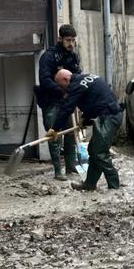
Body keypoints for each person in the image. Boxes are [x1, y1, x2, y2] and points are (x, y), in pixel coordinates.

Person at [46, 70, 122, 191]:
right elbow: (94, 100)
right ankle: (90, 184)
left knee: (100, 153)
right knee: (93, 150)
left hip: (108, 117)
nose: (62, 90)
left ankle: (114, 187)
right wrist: (84, 118)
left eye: (61, 86)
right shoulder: (85, 78)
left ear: (66, 80)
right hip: (107, 115)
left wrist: (54, 129)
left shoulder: (76, 86)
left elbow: (67, 108)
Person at [37, 24, 81, 181]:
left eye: (73, 40)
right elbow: (44, 80)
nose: (71, 43)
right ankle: (57, 170)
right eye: (68, 40)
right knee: (54, 136)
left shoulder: (72, 56)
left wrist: (75, 94)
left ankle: (71, 166)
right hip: (51, 102)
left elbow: (77, 77)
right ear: (60, 39)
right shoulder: (48, 57)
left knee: (70, 133)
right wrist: (61, 92)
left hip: (67, 102)